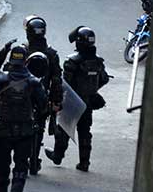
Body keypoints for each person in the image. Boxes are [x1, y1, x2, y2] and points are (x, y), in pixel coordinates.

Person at [0, 15, 63, 174]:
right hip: (41, 97)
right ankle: (34, 160)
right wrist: (56, 101)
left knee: (19, 128)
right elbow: (57, 79)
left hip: (21, 97)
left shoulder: (23, 51)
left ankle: (22, 160)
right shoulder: (51, 53)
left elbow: (8, 72)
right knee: (39, 128)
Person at [0, 46, 47, 192]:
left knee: (2, 164)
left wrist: (4, 50)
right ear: (25, 61)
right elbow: (43, 105)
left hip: (3, 130)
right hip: (25, 130)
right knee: (21, 166)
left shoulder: (0, 77)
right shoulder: (33, 82)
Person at [45, 27, 109, 172]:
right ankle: (84, 162)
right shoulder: (97, 62)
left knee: (63, 130)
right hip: (88, 102)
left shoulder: (72, 61)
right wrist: (92, 90)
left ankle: (57, 156)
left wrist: (59, 99)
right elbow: (104, 79)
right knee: (85, 131)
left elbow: (65, 83)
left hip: (73, 101)